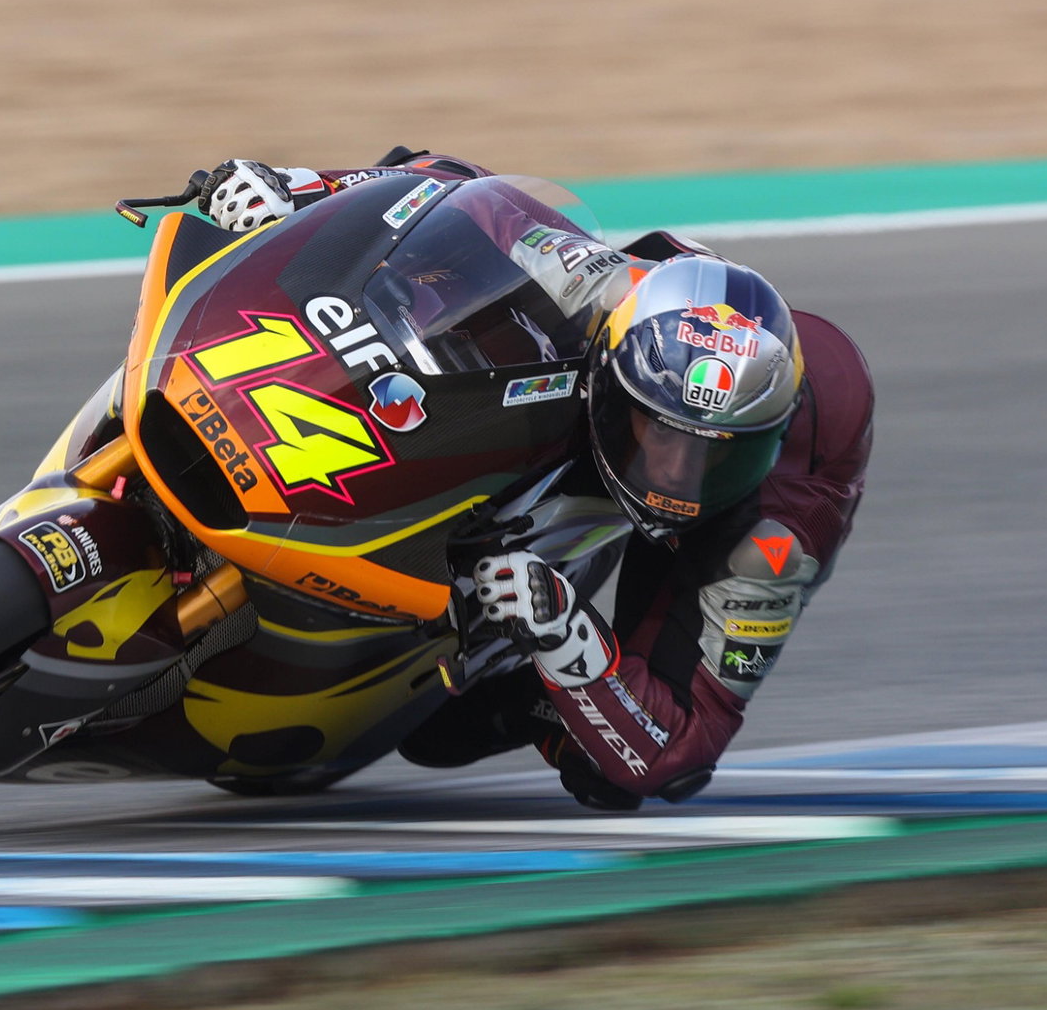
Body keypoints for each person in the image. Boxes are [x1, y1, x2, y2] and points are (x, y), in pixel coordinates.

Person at [195, 150, 874, 810]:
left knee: (567, 761)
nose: (677, 478)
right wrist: (299, 189)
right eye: (660, 440)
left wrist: (567, 639)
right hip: (624, 357)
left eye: (714, 458)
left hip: (742, 516)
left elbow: (681, 743)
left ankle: (513, 683)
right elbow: (445, 187)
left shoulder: (780, 532)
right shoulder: (603, 287)